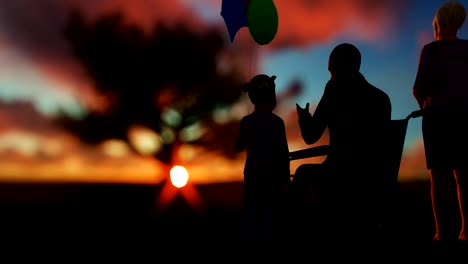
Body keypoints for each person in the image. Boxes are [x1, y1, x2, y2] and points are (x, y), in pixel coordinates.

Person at [292, 43, 392, 238]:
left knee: (303, 172)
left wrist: (304, 117)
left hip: (340, 174)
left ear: (335, 68)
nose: (330, 75)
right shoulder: (381, 98)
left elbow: (311, 136)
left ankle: (297, 231)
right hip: (374, 177)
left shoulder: (334, 89)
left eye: (331, 70)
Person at [412, 0, 468, 242]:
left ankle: (442, 232)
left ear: (438, 24)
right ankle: (467, 230)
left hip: (437, 120)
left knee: (439, 178)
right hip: (465, 119)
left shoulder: (431, 50)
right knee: (464, 178)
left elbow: (418, 88)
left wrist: (426, 106)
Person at [235, 74, 291, 240]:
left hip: (252, 174)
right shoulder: (277, 122)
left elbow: (238, 146)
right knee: (269, 216)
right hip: (272, 177)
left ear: (252, 98)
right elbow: (284, 153)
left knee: (251, 215)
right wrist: (286, 181)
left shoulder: (247, 121)